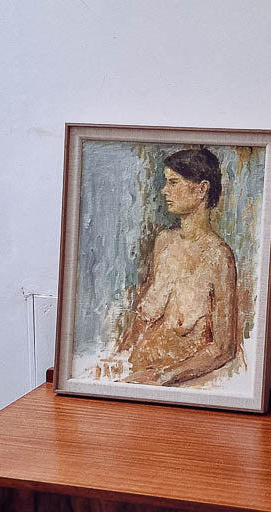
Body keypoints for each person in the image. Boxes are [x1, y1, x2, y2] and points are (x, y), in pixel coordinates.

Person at [112, 148, 239, 386]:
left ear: (202, 189)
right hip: (134, 371)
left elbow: (224, 348)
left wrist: (163, 378)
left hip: (176, 382)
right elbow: (146, 324)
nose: (164, 190)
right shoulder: (164, 242)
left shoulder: (219, 257)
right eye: (166, 182)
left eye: (173, 182)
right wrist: (117, 360)